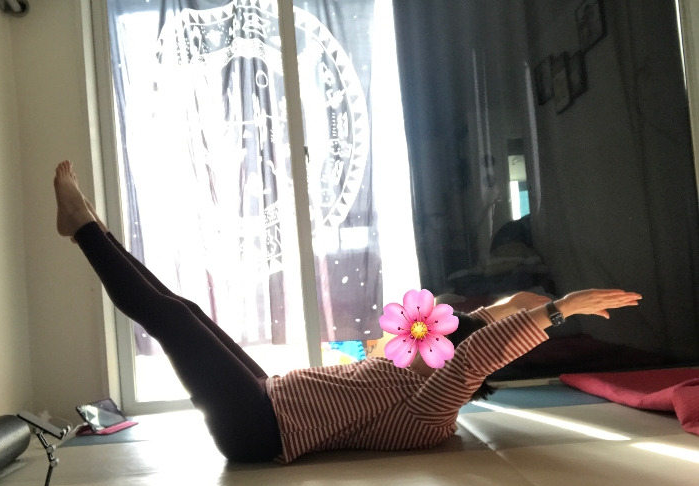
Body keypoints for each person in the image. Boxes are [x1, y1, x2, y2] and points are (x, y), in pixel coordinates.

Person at [53, 161, 642, 464]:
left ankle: (83, 230)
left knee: (174, 323)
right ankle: (93, 229)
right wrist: (515, 306)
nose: (415, 341)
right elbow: (481, 325)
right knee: (185, 311)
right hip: (267, 397)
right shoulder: (412, 369)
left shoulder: (433, 409)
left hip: (259, 431)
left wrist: (559, 311)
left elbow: (475, 355)